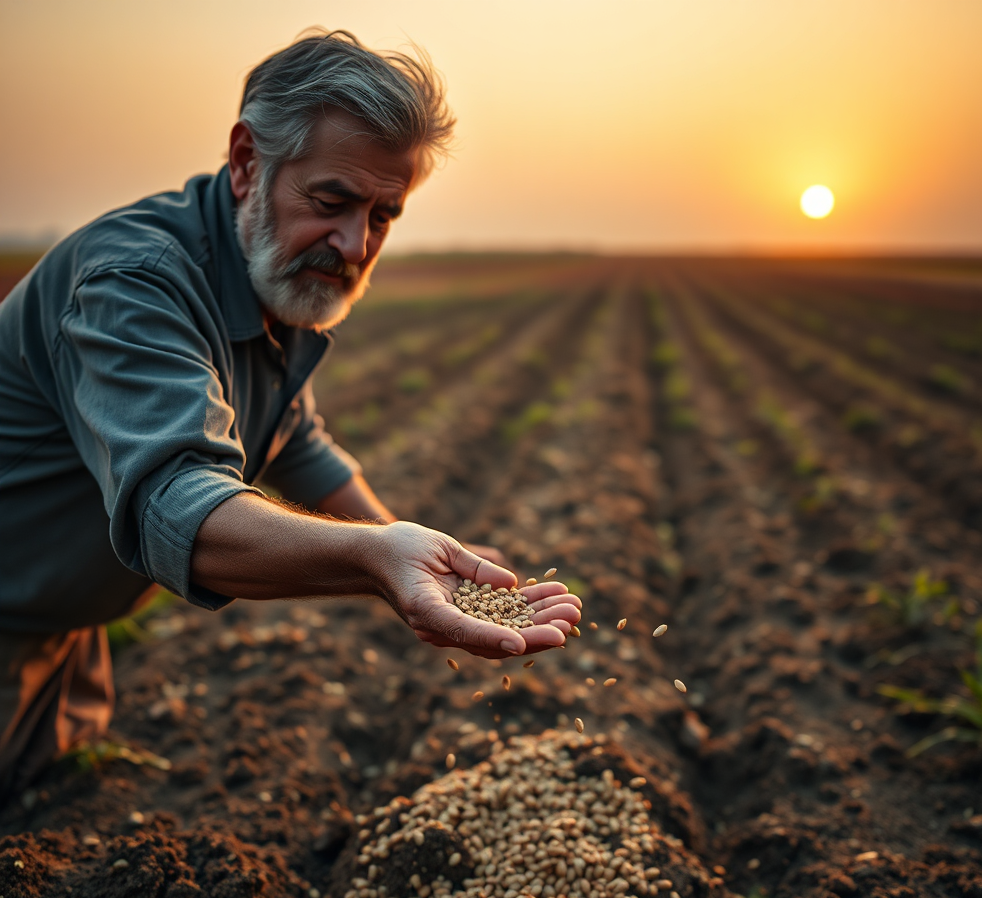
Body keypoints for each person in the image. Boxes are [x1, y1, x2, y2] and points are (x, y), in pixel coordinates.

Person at [0, 31, 582, 799]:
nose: (354, 244)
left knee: (49, 814)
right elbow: (179, 509)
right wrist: (378, 562)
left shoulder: (264, 271)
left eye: (384, 215)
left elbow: (293, 437)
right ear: (247, 162)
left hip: (62, 632)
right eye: (332, 202)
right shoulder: (134, 286)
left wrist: (419, 556)